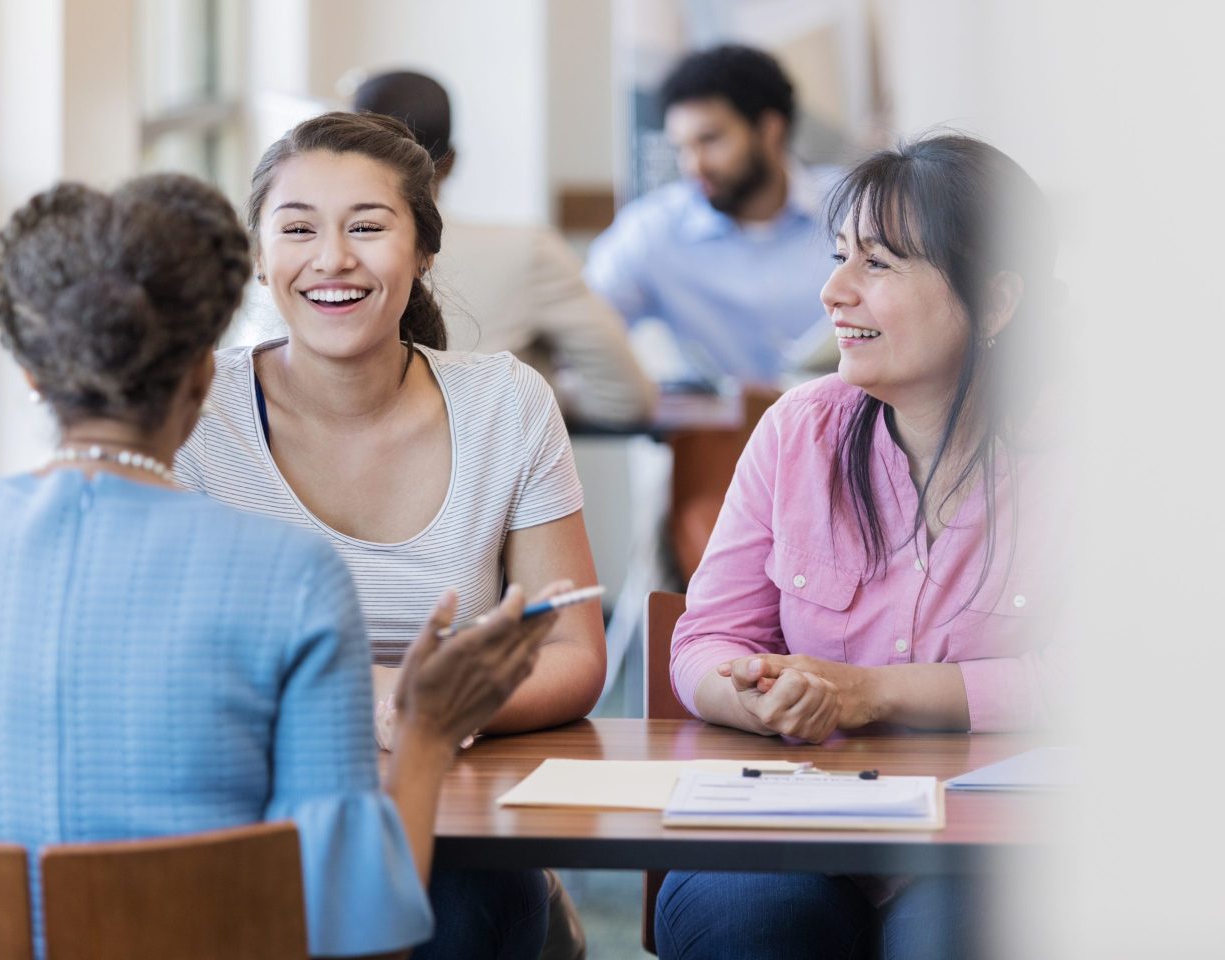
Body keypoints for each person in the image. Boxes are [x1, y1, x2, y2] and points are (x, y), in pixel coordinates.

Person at [0, 173, 567, 960]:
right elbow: (356, 937)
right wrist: (427, 733)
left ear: (31, 375)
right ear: (204, 378)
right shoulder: (290, 576)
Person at [174, 111, 607, 960]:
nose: (333, 259)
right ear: (260, 258)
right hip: (249, 798)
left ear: (424, 252)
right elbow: (175, 650)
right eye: (297, 229)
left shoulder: (505, 403)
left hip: (462, 814)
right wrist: (383, 699)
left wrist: (432, 718)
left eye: (368, 228)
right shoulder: (193, 410)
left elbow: (575, 651)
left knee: (465, 909)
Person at [655, 135, 1065, 959]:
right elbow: (705, 641)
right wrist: (753, 692)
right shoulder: (798, 430)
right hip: (793, 819)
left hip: (993, 842)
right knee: (748, 922)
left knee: (949, 935)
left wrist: (871, 692)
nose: (833, 292)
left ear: (996, 299)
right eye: (840, 257)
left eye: (876, 266)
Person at [351, 69, 655, 427]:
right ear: (451, 161)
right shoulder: (527, 252)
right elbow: (624, 397)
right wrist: (525, 403)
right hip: (487, 477)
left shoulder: (310, 262)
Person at [585, 44, 835, 386]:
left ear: (769, 129)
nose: (694, 166)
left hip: (851, 431)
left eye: (710, 140)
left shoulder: (858, 209)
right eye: (682, 148)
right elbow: (583, 326)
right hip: (716, 437)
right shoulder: (654, 229)